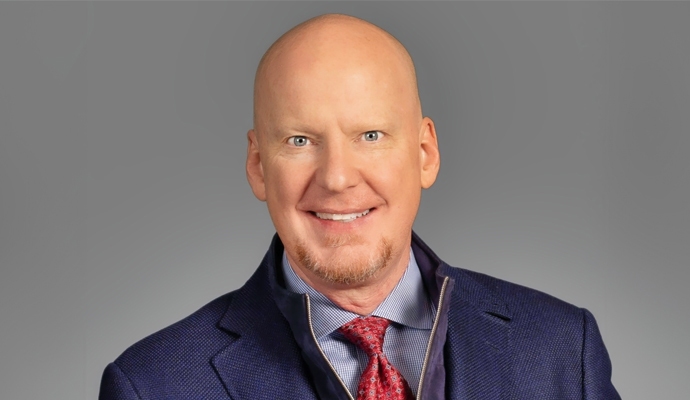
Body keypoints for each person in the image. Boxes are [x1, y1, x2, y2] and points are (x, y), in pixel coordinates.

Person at [99, 14, 620, 400]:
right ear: (259, 166)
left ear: (424, 154)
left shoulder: (561, 353)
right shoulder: (153, 385)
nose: (338, 178)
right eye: (300, 140)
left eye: (370, 135)